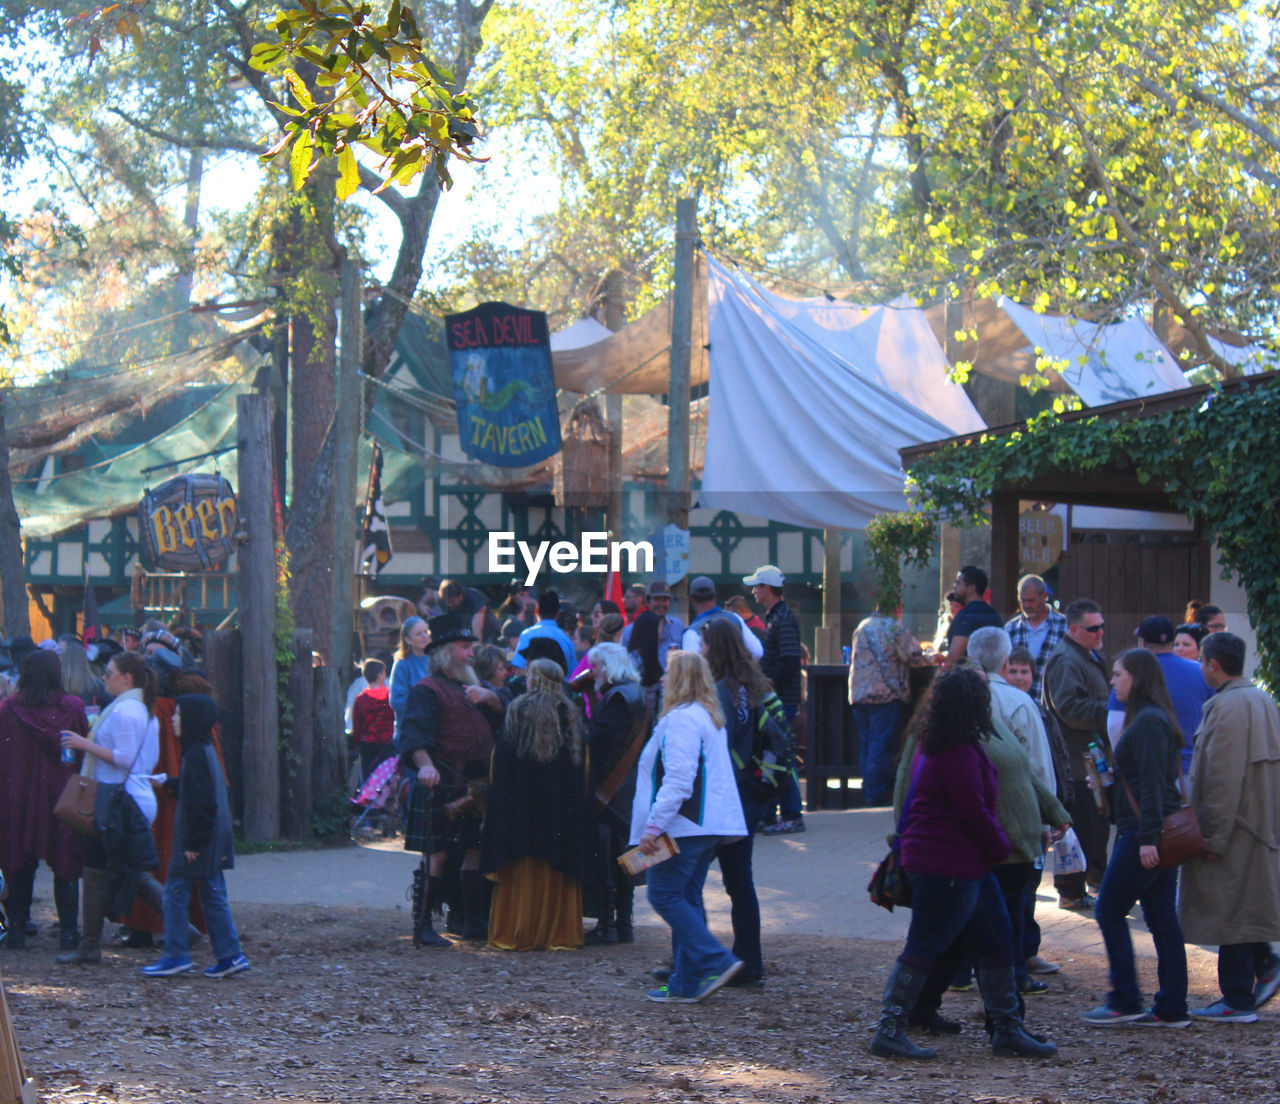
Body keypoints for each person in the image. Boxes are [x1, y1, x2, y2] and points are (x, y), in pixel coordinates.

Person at [871, 667, 1052, 1060]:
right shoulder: (956, 752)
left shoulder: (938, 743)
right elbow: (974, 812)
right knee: (925, 945)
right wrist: (1002, 847)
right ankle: (890, 1027)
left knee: (997, 937)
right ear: (974, 705)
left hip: (960, 862)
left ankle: (1007, 1028)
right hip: (947, 864)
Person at [631, 650, 747, 1003]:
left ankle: (713, 961)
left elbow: (679, 781)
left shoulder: (681, 720)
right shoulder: (707, 717)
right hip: (706, 826)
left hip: (683, 826)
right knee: (686, 896)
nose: (663, 679)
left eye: (668, 673)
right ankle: (687, 982)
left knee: (664, 894)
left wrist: (653, 828)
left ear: (679, 679)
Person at [1083, 649, 1189, 1027]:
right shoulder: (1154, 718)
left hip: (1146, 832)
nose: (1112, 681)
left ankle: (1126, 998)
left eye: (1118, 674)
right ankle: (1172, 1006)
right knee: (1161, 917)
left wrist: (1147, 838)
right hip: (1155, 830)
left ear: (1137, 678)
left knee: (1109, 909)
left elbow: (1150, 785)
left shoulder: (1146, 722)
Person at [1179, 632, 1280, 1022]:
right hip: (1259, 826)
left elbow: (1221, 779)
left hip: (1235, 830)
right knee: (1246, 908)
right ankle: (1263, 969)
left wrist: (1213, 836)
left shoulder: (1228, 707)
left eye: (1202, 660)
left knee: (1230, 913)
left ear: (1214, 665)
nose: (1200, 667)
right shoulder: (1262, 698)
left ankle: (1237, 997)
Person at [398, 612, 500, 946]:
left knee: (474, 847)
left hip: (477, 782)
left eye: (470, 646)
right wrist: (425, 766)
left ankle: (472, 922)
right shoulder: (426, 690)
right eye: (464, 647)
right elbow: (414, 736)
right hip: (441, 781)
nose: (471, 653)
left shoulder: (475, 687)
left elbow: (504, 714)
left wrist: (492, 698)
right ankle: (424, 926)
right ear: (445, 653)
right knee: (437, 853)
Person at [57, 651, 161, 966]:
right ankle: (184, 929)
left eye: (110, 672)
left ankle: (89, 945)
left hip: (118, 801)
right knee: (120, 870)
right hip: (125, 798)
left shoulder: (125, 712)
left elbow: (124, 757)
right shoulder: (138, 709)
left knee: (99, 869)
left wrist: (83, 743)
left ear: (126, 678)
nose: (104, 677)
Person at [481, 659, 587, 951]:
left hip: (521, 808)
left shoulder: (518, 710)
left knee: (522, 865)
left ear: (535, 679)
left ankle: (518, 932)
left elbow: (501, 763)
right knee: (556, 866)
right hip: (559, 809)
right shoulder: (570, 713)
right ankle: (558, 935)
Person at [702, 616, 785, 989]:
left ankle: (695, 957)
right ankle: (749, 963)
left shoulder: (717, 690)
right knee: (741, 884)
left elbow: (716, 746)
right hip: (751, 797)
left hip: (721, 800)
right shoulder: (757, 687)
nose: (701, 650)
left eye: (705, 644)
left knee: (688, 881)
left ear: (716, 648)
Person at [141, 694, 249, 979]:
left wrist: (192, 843)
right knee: (213, 895)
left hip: (199, 839)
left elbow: (201, 803)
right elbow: (201, 791)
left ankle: (176, 954)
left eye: (178, 715)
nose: (174, 719)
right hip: (212, 837)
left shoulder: (195, 754)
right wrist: (171, 782)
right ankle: (230, 955)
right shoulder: (204, 749)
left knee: (175, 893)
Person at [0, 651, 90, 951]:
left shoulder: (9, 709)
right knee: (65, 861)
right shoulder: (73, 708)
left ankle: (16, 928)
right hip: (61, 793)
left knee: (19, 861)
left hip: (19, 795)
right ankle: (68, 932)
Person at [1042, 597, 1111, 910]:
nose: (1099, 633)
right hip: (1073, 763)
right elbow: (1069, 709)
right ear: (1073, 629)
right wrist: (1111, 711)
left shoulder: (1086, 654)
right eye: (1093, 628)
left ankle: (1094, 882)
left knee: (1097, 823)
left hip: (1090, 760)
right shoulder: (1067, 660)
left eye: (1101, 627)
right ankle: (1071, 891)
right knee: (1080, 826)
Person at [579, 643, 648, 945]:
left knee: (609, 857)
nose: (592, 672)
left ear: (607, 667)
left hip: (611, 789)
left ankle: (608, 925)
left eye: (595, 667)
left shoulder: (617, 696)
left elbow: (602, 743)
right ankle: (624, 925)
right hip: (631, 788)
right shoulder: (636, 692)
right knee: (625, 857)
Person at [1104, 617, 1212, 775]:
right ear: (1172, 641)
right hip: (1192, 770)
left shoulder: (1131, 673)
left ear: (1142, 642)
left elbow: (1115, 725)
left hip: (1146, 770)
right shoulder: (1201, 672)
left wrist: (1125, 763)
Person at [744, 565, 804, 834]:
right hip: (778, 697)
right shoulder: (777, 616)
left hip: (782, 699)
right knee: (775, 755)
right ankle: (771, 814)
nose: (754, 590)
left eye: (757, 586)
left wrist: (767, 683)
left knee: (782, 756)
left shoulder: (782, 618)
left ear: (767, 588)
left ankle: (791, 814)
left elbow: (791, 662)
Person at [847, 600, 924, 807]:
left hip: (859, 694)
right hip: (885, 694)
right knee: (880, 746)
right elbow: (914, 657)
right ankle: (876, 795)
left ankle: (869, 789)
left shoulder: (862, 625)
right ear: (897, 607)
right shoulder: (894, 627)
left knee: (867, 745)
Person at [969, 628, 1054, 792]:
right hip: (1014, 804)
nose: (1019, 677)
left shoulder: (955, 696)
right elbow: (1040, 768)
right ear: (1006, 662)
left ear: (972, 658)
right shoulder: (1020, 702)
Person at [1004, 574, 1066, 700]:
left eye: (1031, 600)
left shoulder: (1064, 626)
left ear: (1044, 597)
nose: (1026, 605)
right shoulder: (1011, 628)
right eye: (1023, 600)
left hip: (1052, 704)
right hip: (1018, 702)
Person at [680, 577, 763, 659]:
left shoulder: (692, 632)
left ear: (691, 598)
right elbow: (757, 652)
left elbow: (692, 668)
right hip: (739, 672)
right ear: (715, 596)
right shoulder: (736, 618)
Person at [944, 565, 1003, 665]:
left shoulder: (966, 616)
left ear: (971, 588)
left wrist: (942, 674)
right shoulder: (995, 616)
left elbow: (954, 657)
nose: (954, 587)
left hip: (968, 677)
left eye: (958, 583)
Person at [510, 589, 577, 673]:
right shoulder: (567, 640)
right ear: (558, 614)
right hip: (559, 685)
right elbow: (573, 674)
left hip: (532, 685)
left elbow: (520, 669)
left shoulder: (526, 635)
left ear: (537, 611)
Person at [622, 581, 684, 670]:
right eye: (657, 599)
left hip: (672, 682)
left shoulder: (678, 626)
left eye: (665, 600)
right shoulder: (630, 630)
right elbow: (626, 665)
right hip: (644, 682)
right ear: (647, 601)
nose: (661, 604)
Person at [388, 616, 431, 743]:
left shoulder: (436, 658)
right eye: (419, 634)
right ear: (407, 640)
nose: (424, 636)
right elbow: (397, 701)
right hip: (410, 731)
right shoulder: (402, 664)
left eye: (426, 631)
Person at [352, 659, 395, 780]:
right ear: (380, 675)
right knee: (388, 778)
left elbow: (357, 725)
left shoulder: (360, 699)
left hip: (367, 744)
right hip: (388, 742)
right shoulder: (390, 696)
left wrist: (357, 744)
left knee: (368, 777)